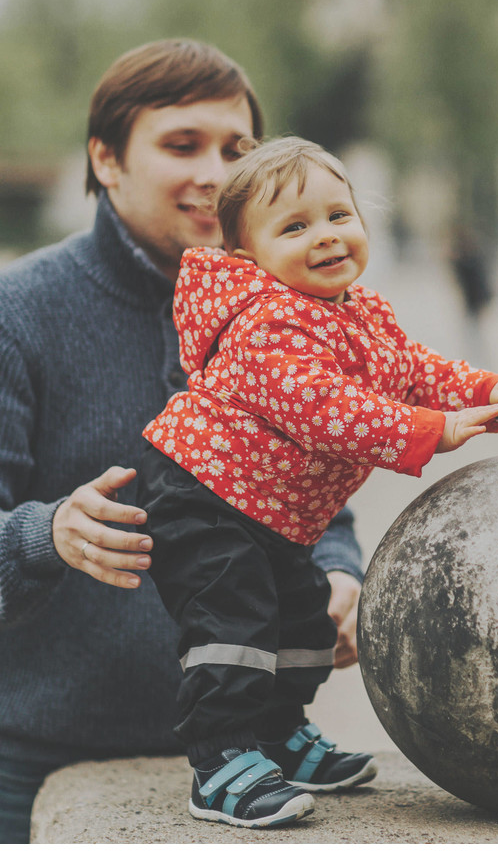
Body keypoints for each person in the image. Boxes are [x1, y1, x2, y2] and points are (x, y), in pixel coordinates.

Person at [137, 136, 498, 830]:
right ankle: (219, 762)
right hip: (201, 494)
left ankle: (278, 734)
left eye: (338, 214)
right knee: (232, 623)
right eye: (295, 227)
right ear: (249, 257)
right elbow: (324, 408)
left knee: (302, 619)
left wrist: (487, 388)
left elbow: (410, 368)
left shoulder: (359, 310)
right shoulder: (264, 322)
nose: (326, 237)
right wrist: (427, 429)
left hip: (271, 509)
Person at [0, 41, 364, 844]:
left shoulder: (299, 305)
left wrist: (339, 566)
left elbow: (315, 479)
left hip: (254, 773)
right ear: (106, 158)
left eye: (237, 149)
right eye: (181, 145)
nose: (216, 172)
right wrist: (46, 533)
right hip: (35, 770)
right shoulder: (17, 314)